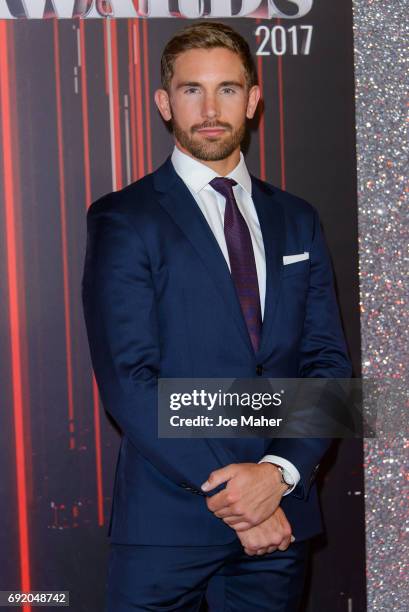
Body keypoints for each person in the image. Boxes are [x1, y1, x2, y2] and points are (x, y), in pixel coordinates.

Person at [82, 21, 351, 612]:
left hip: (280, 522)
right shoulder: (123, 219)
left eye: (227, 89)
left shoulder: (297, 218)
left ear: (253, 100)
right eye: (190, 90)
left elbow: (329, 366)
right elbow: (128, 381)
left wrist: (276, 476)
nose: (209, 108)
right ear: (163, 102)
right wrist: (238, 497)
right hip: (167, 525)